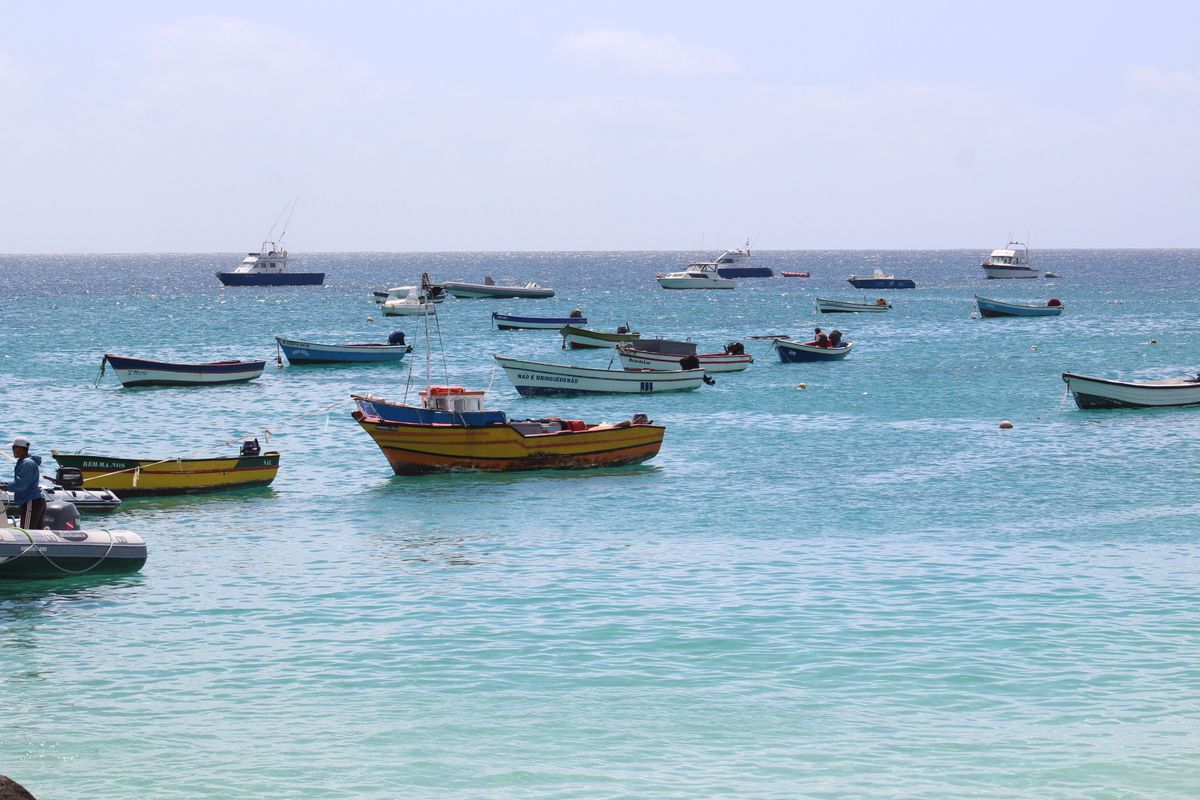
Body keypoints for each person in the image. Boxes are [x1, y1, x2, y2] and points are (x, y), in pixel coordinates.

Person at [3, 437, 46, 529]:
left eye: (13, 447)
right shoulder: (26, 461)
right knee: (36, 534)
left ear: (20, 448)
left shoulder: (27, 463)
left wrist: (4, 486)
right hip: (34, 501)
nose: (13, 450)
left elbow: (20, 485)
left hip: (31, 501)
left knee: (27, 533)